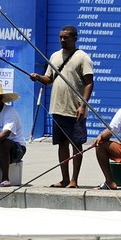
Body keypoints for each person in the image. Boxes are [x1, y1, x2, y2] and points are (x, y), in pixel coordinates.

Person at [28, 25, 94, 187]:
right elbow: (49, 79)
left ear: (75, 38)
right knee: (61, 144)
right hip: (57, 108)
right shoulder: (55, 56)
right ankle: (64, 178)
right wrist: (37, 77)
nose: (63, 40)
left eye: (66, 37)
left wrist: (83, 105)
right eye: (61, 37)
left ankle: (74, 180)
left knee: (76, 145)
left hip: (75, 109)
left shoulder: (82, 57)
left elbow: (89, 83)